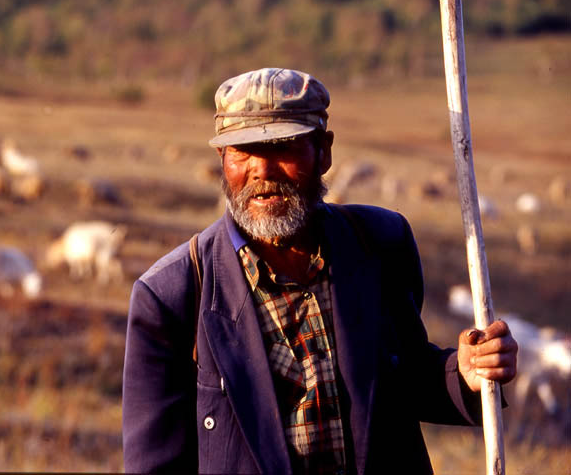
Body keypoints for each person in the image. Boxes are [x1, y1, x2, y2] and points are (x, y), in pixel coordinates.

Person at [122, 68, 517, 474]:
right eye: (241, 151)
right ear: (222, 160)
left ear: (323, 151)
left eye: (281, 146)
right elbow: (154, 464)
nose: (262, 170)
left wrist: (465, 371)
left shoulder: (380, 243)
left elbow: (405, 377)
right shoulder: (173, 294)